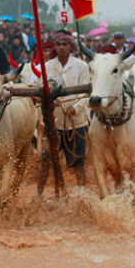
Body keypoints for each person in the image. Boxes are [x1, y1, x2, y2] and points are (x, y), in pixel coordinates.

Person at [37, 30, 90, 198]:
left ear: (71, 46)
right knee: (46, 160)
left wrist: (75, 107)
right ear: (55, 47)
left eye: (65, 44)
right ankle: (39, 195)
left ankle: (82, 194)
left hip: (76, 122)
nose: (61, 48)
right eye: (58, 44)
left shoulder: (82, 66)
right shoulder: (47, 67)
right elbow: (40, 92)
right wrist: (50, 102)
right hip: (53, 121)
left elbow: (87, 92)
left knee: (79, 162)